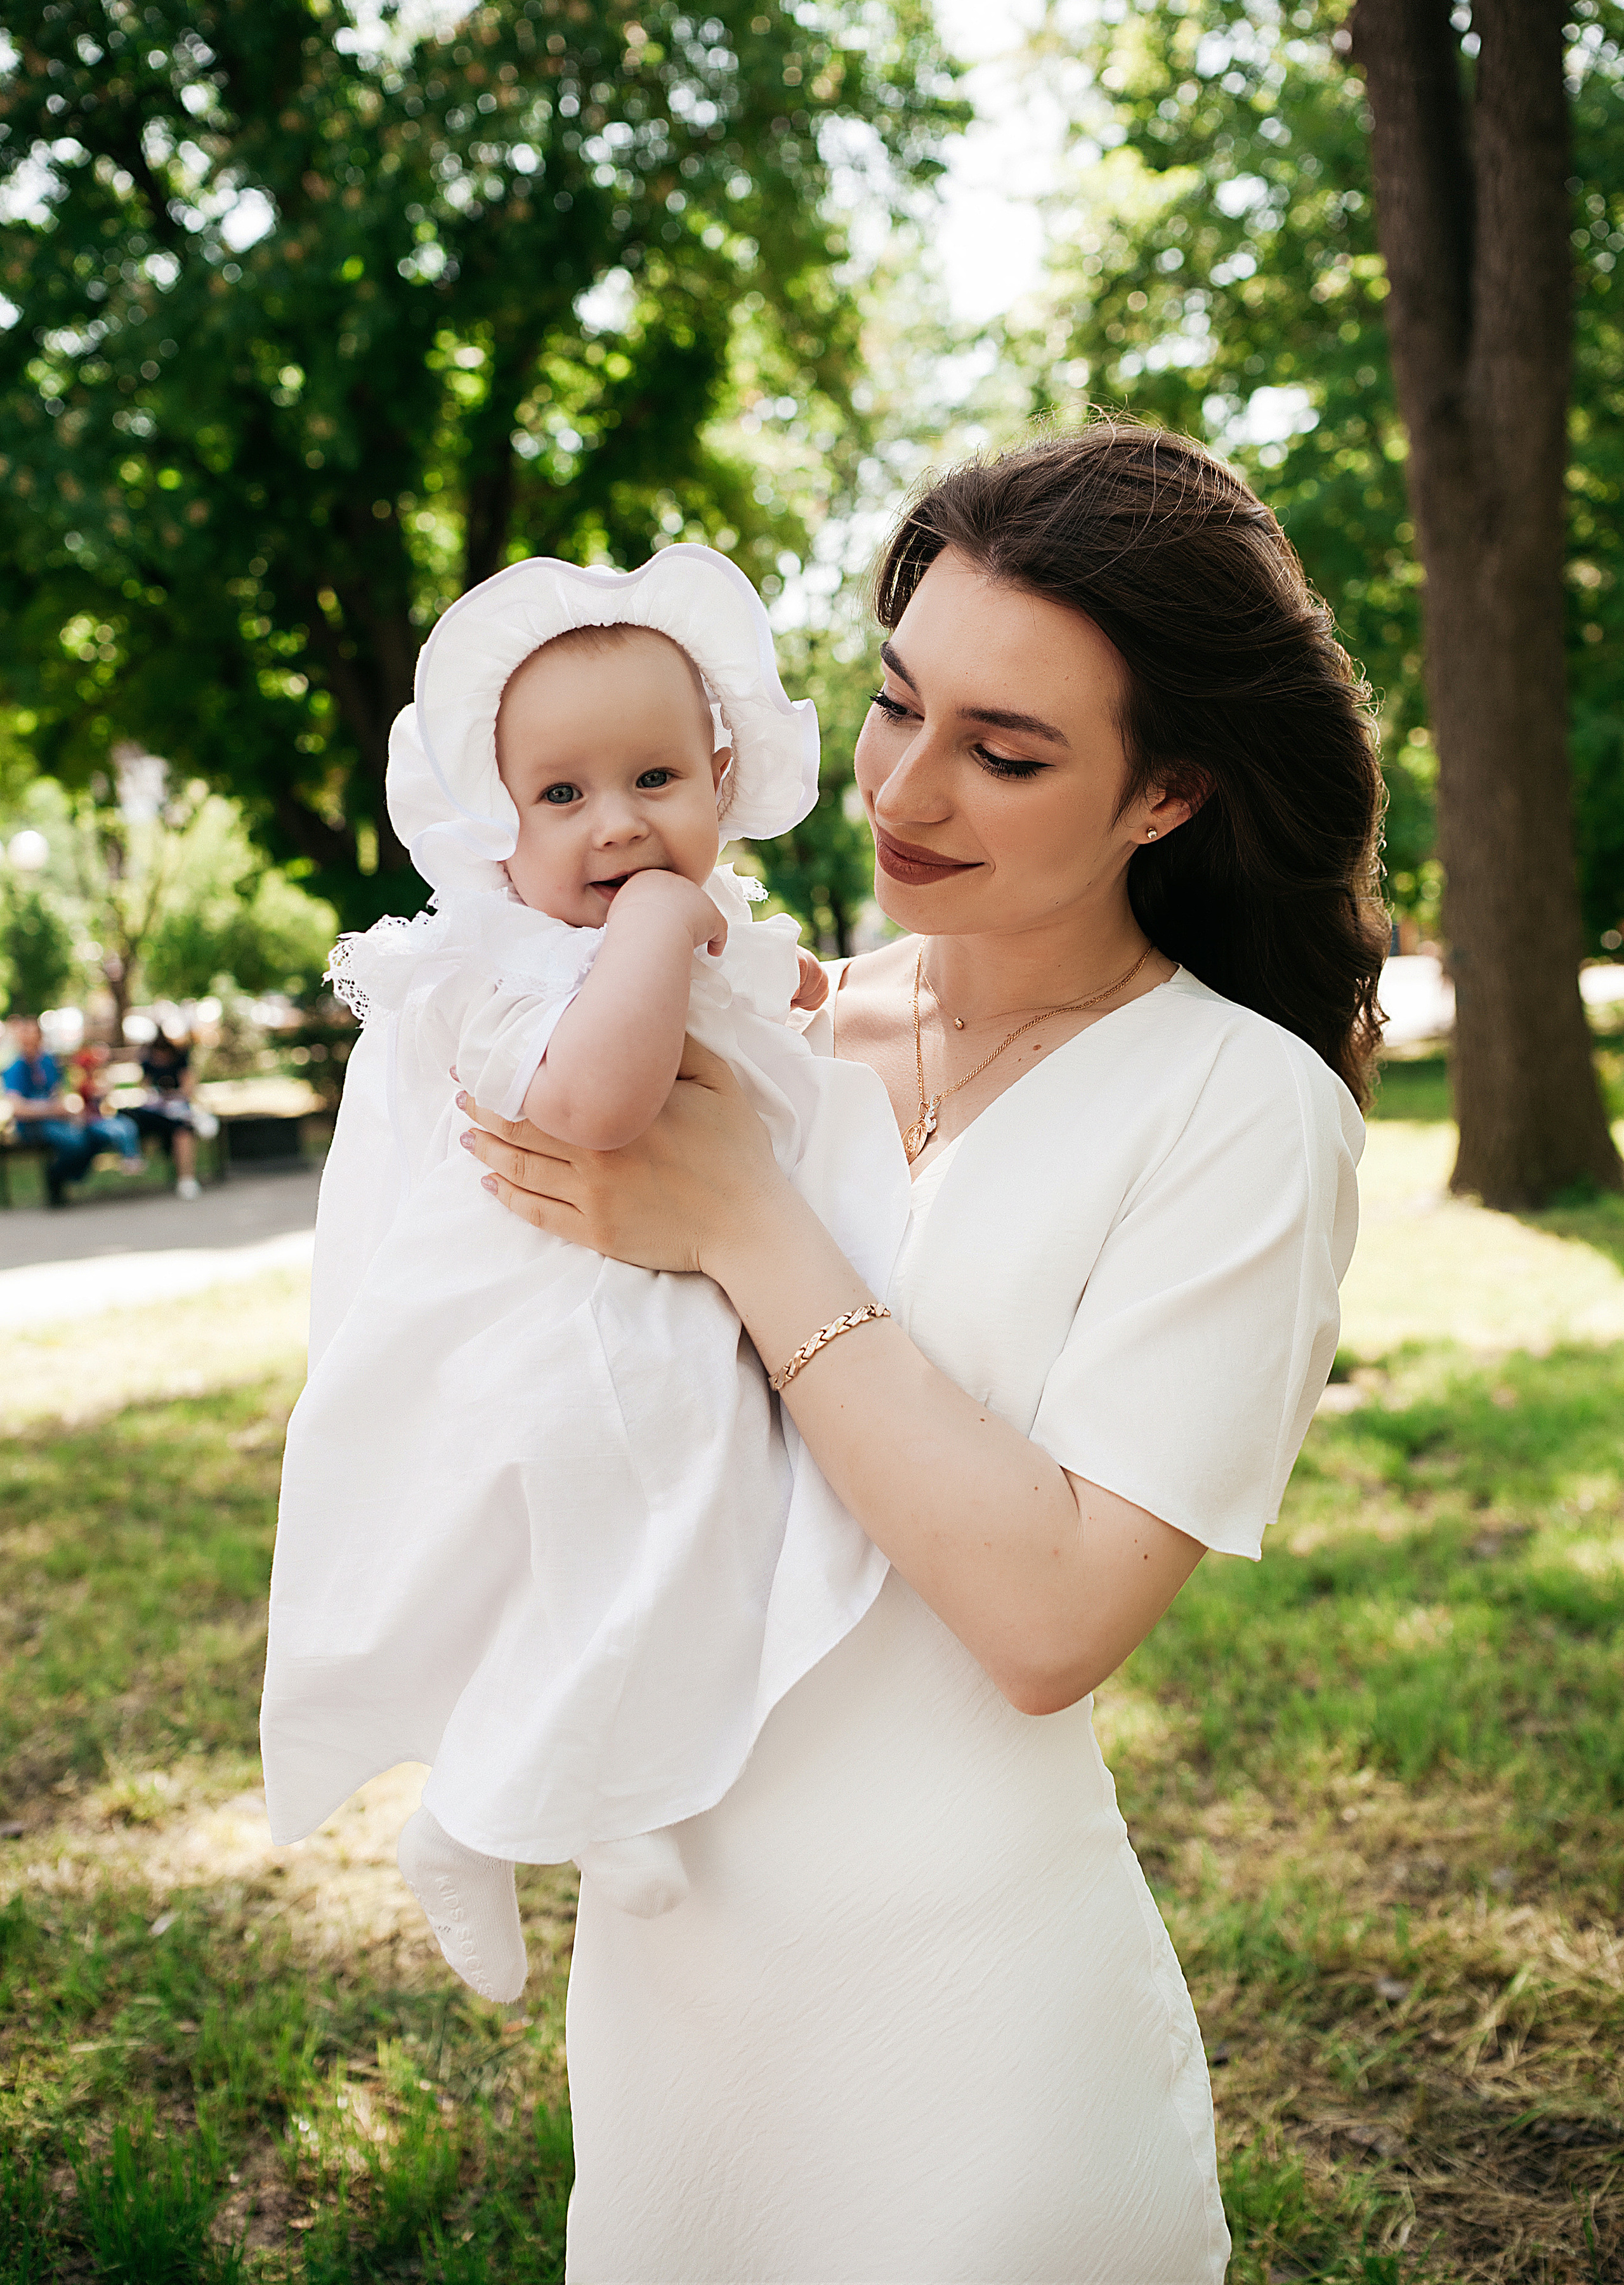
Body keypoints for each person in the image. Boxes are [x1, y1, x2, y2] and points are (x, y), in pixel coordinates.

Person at [461, 423, 1389, 2285]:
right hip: (673, 1961)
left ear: (1166, 794)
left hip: (972, 2012)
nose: (905, 785)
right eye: (896, 705)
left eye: (1006, 750)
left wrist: (745, 1221)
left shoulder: (1236, 1107)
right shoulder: (759, 1027)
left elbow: (1051, 1617)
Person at [259, 546, 909, 2004]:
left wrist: (778, 974)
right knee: (612, 1551)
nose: (616, 825)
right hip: (552, 1336)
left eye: (655, 779)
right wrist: (667, 926)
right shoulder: (494, 969)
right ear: (496, 824)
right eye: (562, 794)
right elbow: (603, 1103)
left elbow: (784, 1000)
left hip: (670, 1312)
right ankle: (469, 1819)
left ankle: (616, 1798)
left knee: (691, 1551)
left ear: (720, 781)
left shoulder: (675, 924)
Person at [3, 1016, 143, 1205]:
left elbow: (61, 1094)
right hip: (32, 1126)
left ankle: (67, 1177)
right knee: (74, 1142)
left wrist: (68, 1109)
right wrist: (52, 1110)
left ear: (40, 1037)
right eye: (24, 1035)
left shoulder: (48, 1063)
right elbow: (19, 1109)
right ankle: (56, 1178)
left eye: (32, 1035)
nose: (28, 1040)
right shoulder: (15, 1069)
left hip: (58, 1120)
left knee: (93, 1134)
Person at [124, 1029, 205, 1197]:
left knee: (182, 1129)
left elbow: (188, 1089)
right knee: (131, 1118)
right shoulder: (148, 1064)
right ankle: (134, 1158)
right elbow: (144, 1089)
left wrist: (173, 1095)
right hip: (155, 1112)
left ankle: (186, 1179)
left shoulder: (180, 1062)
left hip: (177, 1112)